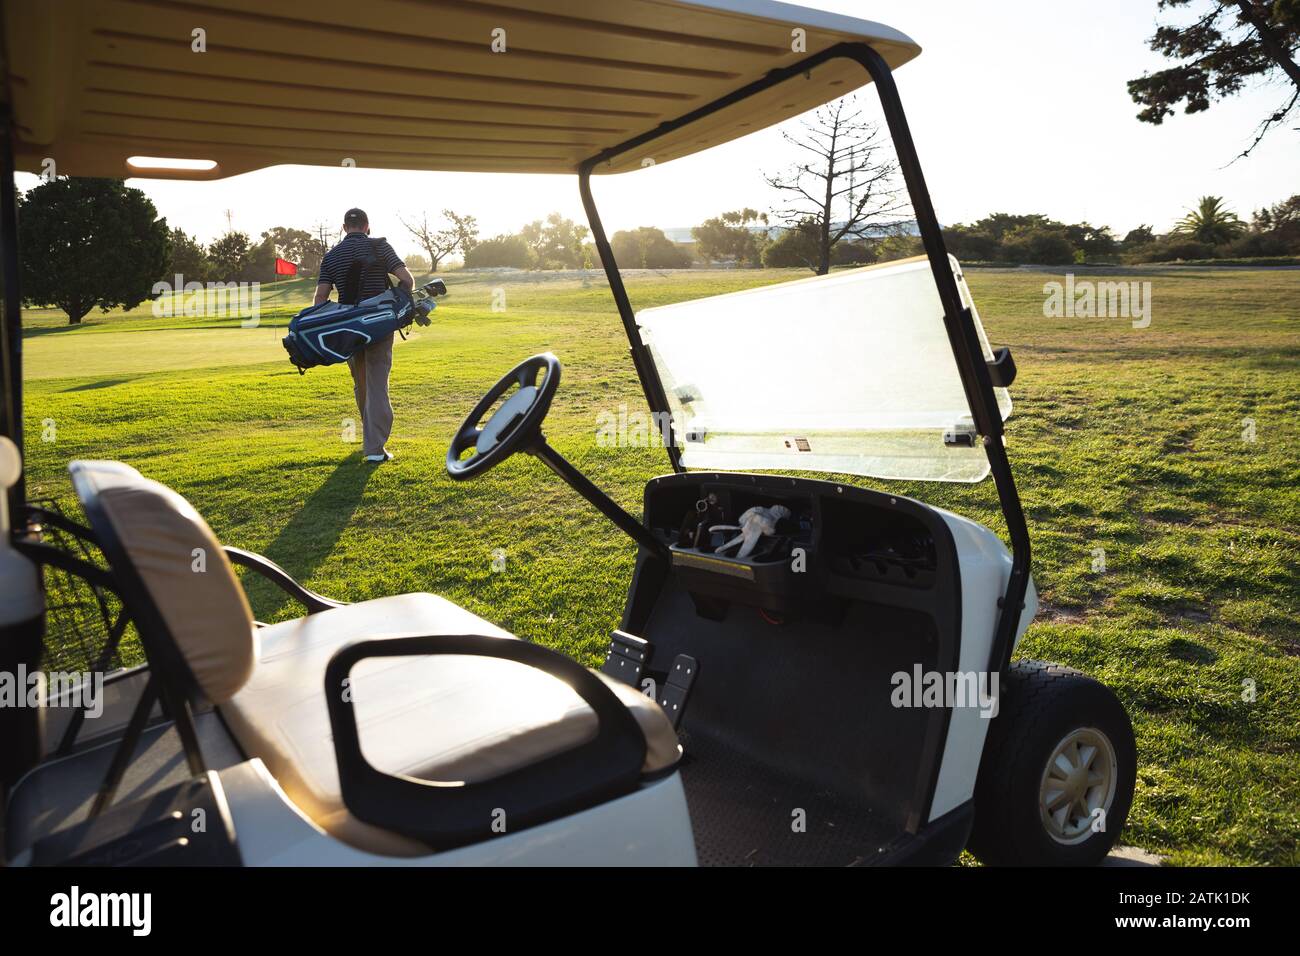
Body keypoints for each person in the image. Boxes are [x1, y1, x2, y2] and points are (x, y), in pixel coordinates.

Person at [314, 208, 414, 463]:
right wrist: (395, 304)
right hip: (379, 324)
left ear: (345, 227)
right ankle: (374, 449)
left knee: (362, 383)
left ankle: (370, 440)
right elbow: (407, 279)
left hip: (348, 329)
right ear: (367, 226)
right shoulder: (380, 246)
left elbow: (320, 299)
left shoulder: (331, 256)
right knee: (377, 383)